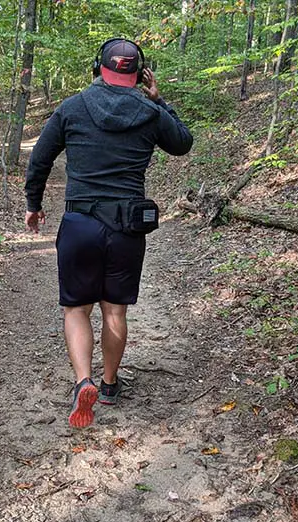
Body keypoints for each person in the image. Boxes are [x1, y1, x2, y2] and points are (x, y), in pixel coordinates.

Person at [24, 38, 193, 428]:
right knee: (114, 310)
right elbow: (182, 144)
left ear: (98, 67)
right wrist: (159, 100)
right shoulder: (149, 111)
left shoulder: (72, 107)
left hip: (80, 223)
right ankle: (110, 383)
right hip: (127, 227)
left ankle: (83, 381)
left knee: (76, 308)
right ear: (139, 73)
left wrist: (34, 204)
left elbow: (40, 159)